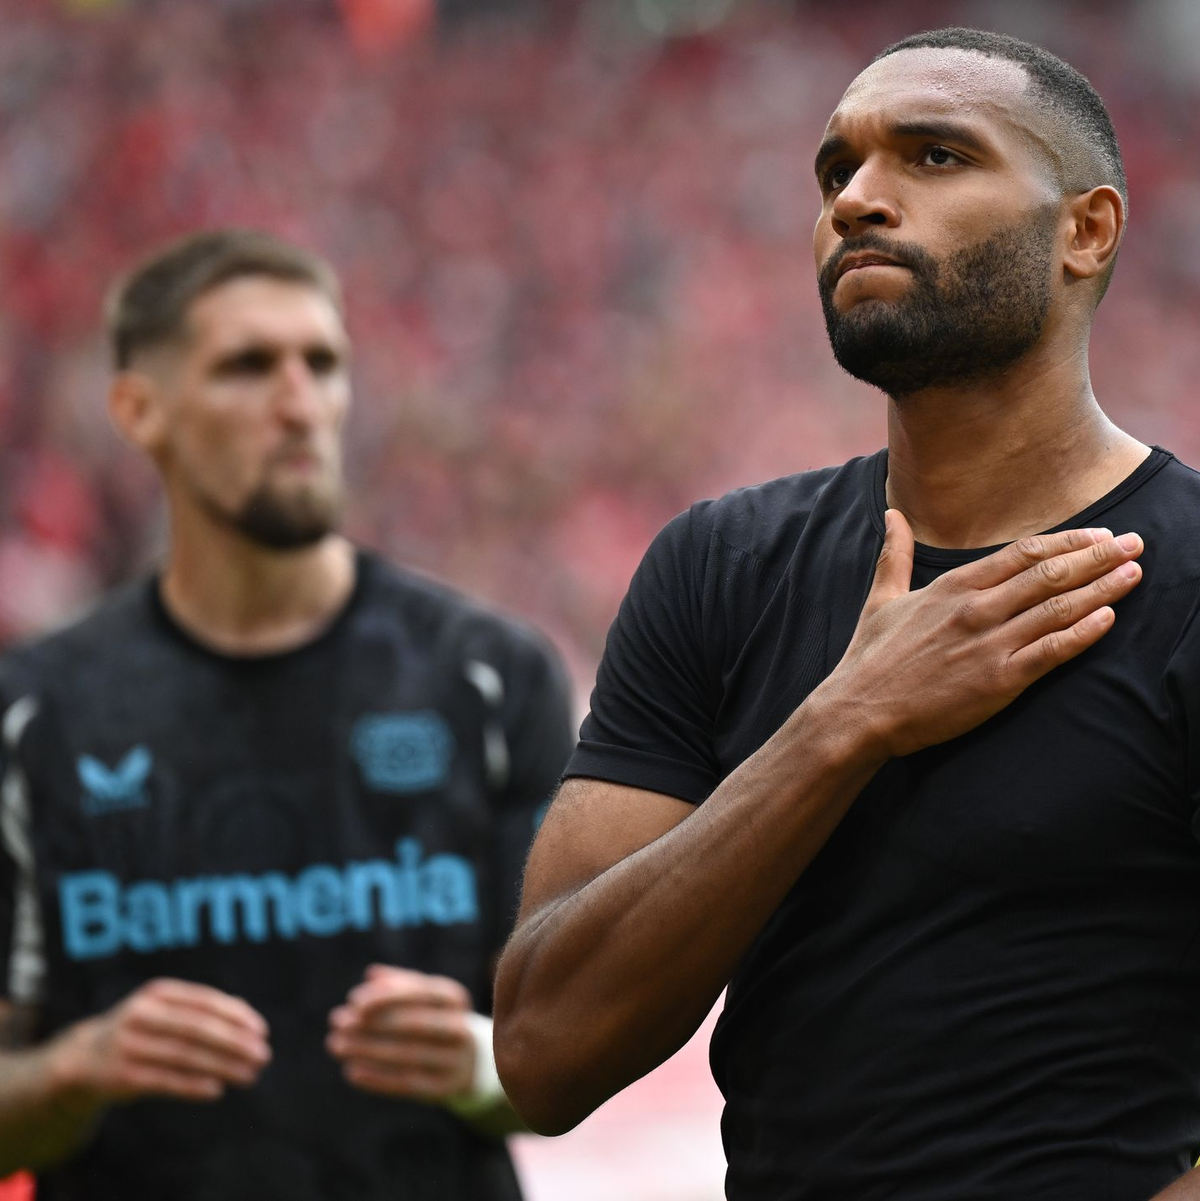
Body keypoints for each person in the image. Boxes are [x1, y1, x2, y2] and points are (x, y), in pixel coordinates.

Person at [493, 26, 1200, 1201]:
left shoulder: (1182, 576)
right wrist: (843, 726)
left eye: (933, 157)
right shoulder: (718, 567)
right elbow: (544, 1052)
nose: (860, 199)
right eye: (837, 170)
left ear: (1087, 230)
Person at [0, 229, 575, 1200]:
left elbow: (567, 1057)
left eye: (324, 362)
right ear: (140, 411)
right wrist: (72, 1069)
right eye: (247, 366)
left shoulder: (490, 676)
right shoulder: (33, 715)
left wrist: (480, 1060)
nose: (301, 403)